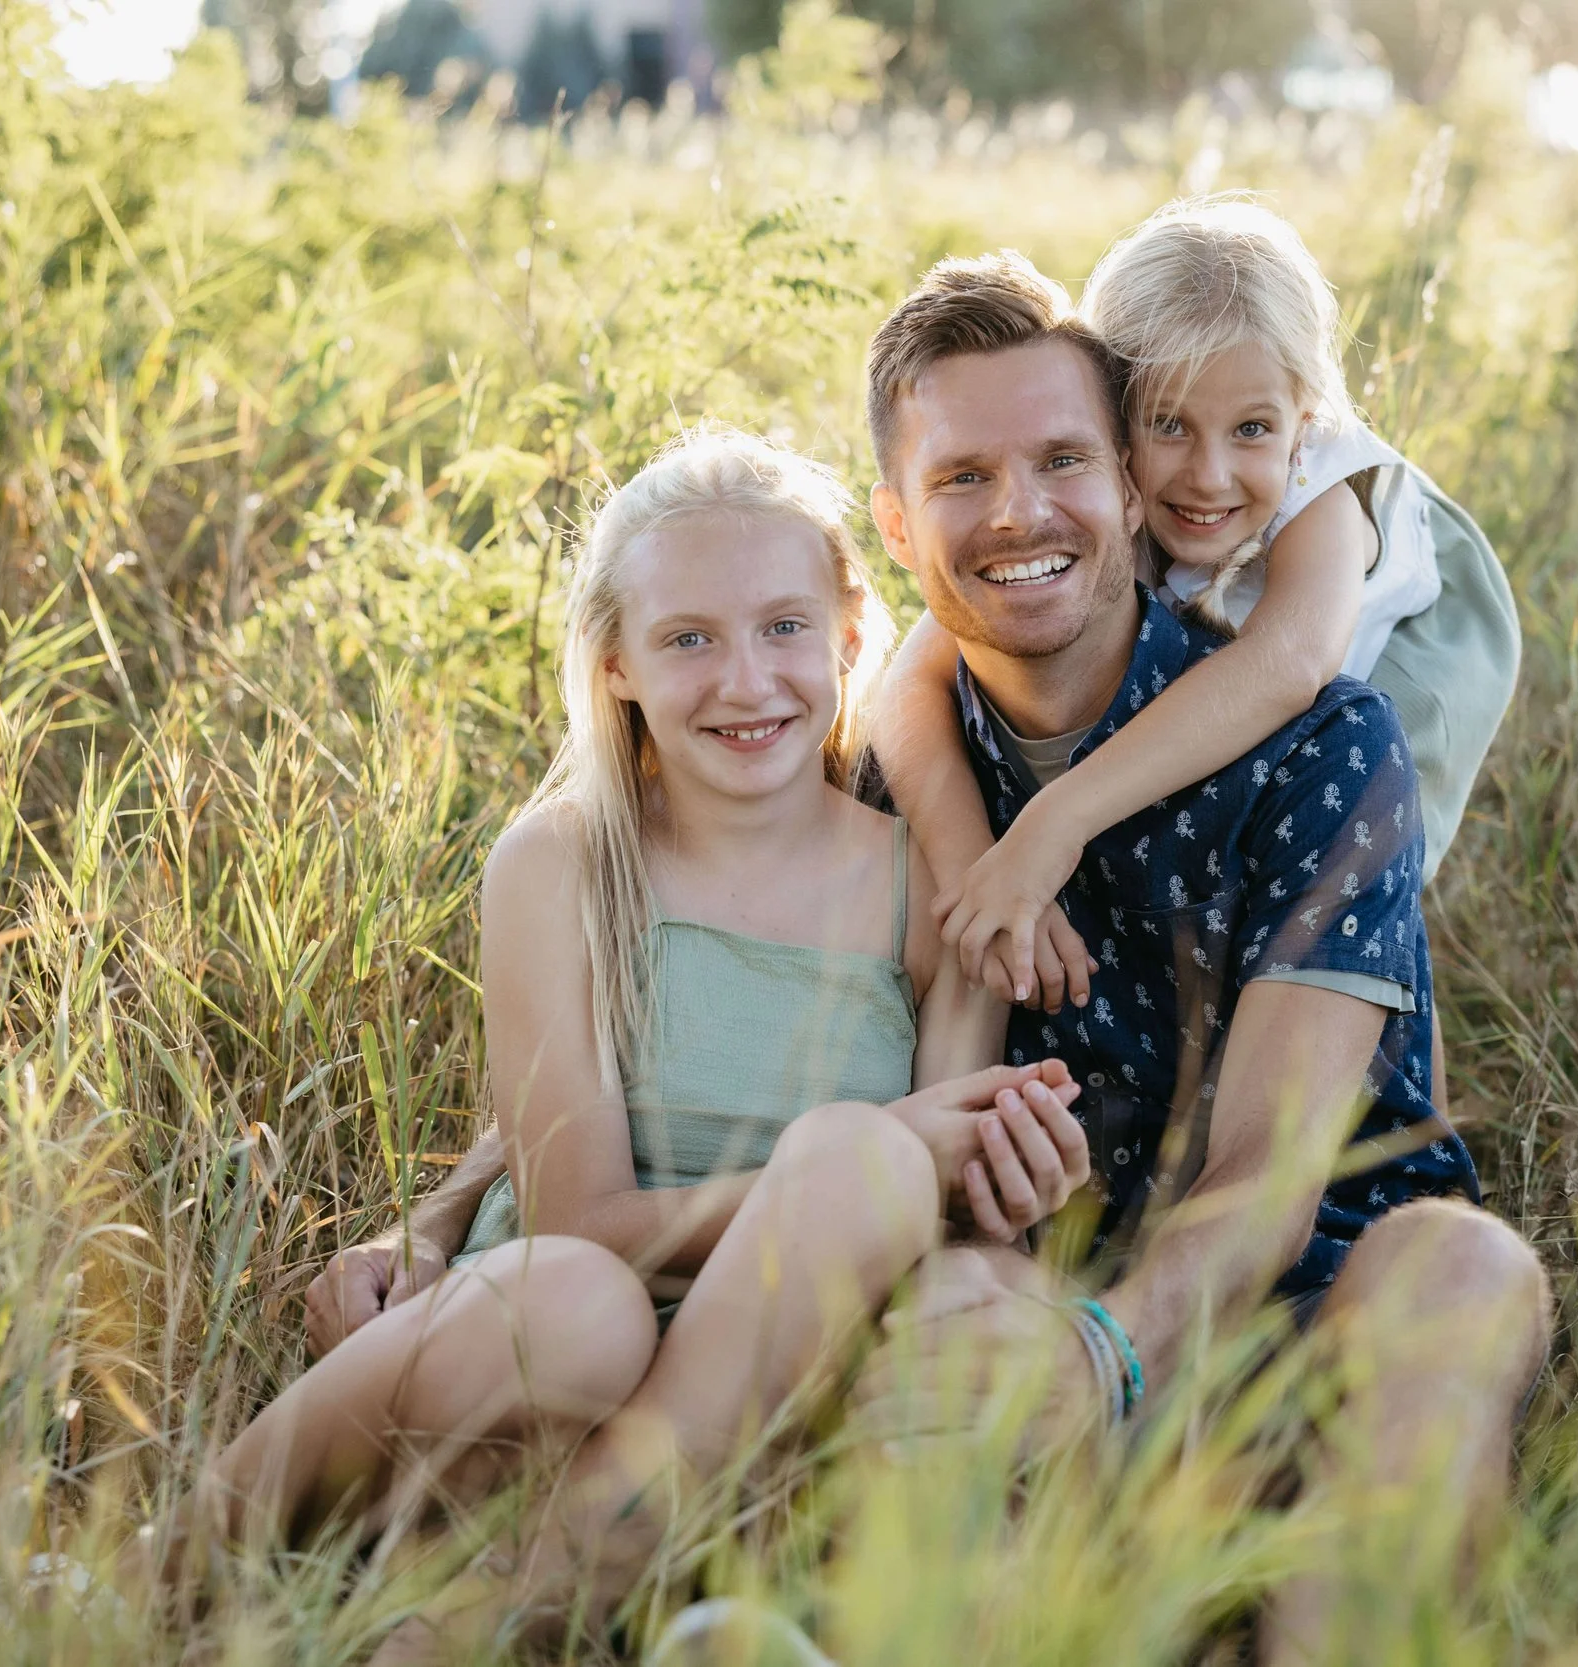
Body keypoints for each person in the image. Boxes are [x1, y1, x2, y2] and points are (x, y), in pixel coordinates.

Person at [197, 430, 1090, 1604]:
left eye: (783, 626)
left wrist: (995, 1181)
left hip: (780, 1371)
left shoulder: (924, 888)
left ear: (850, 633)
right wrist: (876, 1167)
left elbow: (958, 1213)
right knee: (583, 1304)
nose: (746, 680)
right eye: (687, 640)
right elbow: (576, 1219)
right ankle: (184, 1557)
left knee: (874, 1185)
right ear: (615, 661)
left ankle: (514, 1599)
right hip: (544, 1362)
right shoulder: (563, 861)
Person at [849, 252, 1549, 1665]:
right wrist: (437, 1221)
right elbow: (673, 1008)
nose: (1022, 512)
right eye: (965, 478)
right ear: (897, 524)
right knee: (949, 1302)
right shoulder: (889, 761)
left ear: (1120, 482)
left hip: (1315, 1294)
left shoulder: (1323, 740)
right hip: (1045, 1298)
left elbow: (1278, 1166)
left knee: (1463, 1269)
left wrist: (1113, 1347)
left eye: (1059, 461)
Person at [874, 195, 1519, 1020]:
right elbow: (905, 689)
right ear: (1115, 421)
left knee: (1357, 871)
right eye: (1169, 424)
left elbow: (1287, 666)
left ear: (1302, 420)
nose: (1209, 475)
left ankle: (1379, 1068)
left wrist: (1054, 823)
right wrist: (981, 870)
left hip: (1404, 649)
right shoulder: (1102, 493)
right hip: (1237, 631)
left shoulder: (1323, 492)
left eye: (1252, 429)